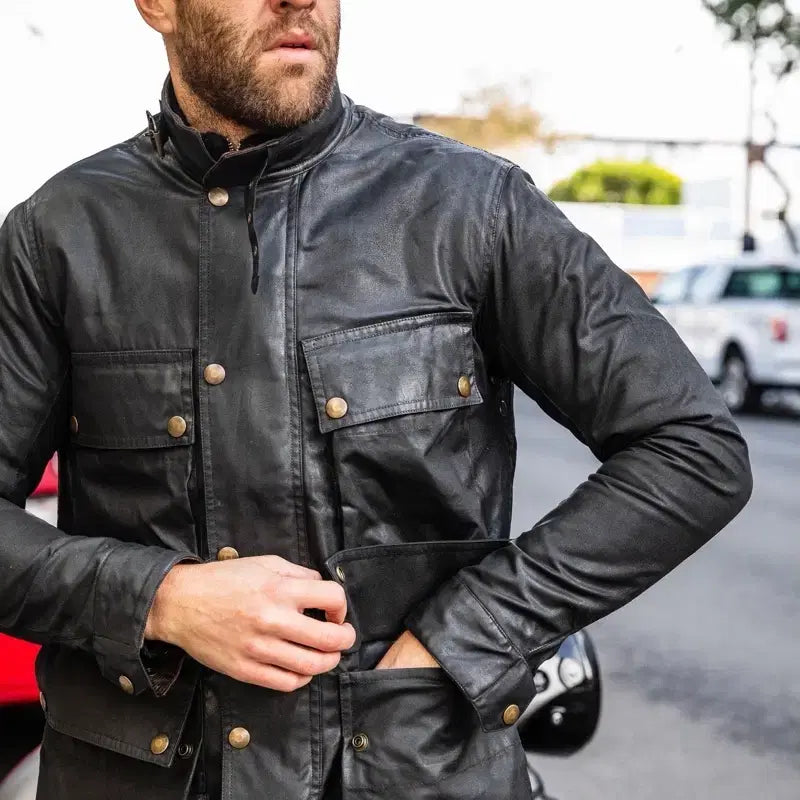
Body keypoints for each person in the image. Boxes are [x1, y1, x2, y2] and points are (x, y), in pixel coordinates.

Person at [0, 1, 752, 798]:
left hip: (416, 774)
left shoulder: (472, 205)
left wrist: (471, 631)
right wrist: (160, 599)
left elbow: (692, 447)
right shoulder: (57, 236)